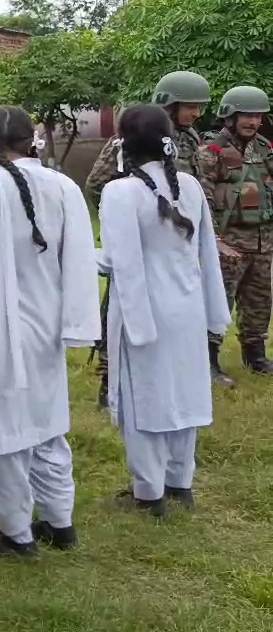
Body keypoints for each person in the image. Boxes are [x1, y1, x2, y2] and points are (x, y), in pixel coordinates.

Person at [0, 106, 101, 557]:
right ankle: (61, 522)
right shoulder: (63, 187)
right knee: (45, 424)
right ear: (32, 142)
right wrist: (76, 323)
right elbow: (79, 258)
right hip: (47, 325)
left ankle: (17, 533)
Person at [99, 104, 230, 518]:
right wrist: (213, 310)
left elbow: (124, 263)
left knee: (146, 402)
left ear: (124, 144)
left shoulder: (119, 192)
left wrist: (77, 254)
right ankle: (181, 482)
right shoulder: (189, 185)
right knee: (184, 396)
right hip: (187, 309)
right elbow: (207, 251)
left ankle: (149, 491)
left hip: (147, 312)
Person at [84, 71, 225, 400]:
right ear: (169, 105)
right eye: (190, 107)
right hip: (138, 238)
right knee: (122, 307)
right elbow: (97, 183)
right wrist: (125, 218)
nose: (196, 114)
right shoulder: (132, 138)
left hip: (177, 239)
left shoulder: (188, 140)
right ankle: (110, 383)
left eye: (199, 107)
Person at [196, 85, 273, 375]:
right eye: (247, 116)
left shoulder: (265, 149)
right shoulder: (211, 151)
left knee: (260, 302)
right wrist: (214, 240)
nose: (253, 122)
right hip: (229, 241)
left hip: (263, 241)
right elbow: (203, 198)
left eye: (258, 116)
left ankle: (255, 357)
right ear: (230, 116)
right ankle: (210, 359)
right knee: (219, 301)